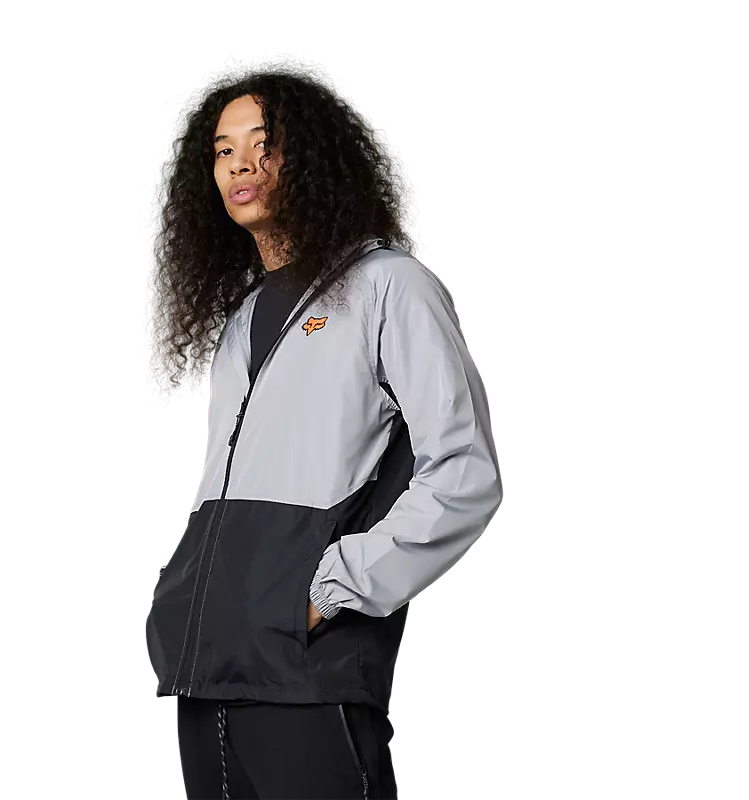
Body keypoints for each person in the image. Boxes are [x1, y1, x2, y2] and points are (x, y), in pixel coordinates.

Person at [140, 47, 505, 800]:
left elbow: (464, 473)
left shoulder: (388, 287)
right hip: (207, 676)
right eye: (223, 151)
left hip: (309, 677)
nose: (242, 165)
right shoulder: (244, 320)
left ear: (310, 158)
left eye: (265, 144)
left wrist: (330, 590)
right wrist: (181, 595)